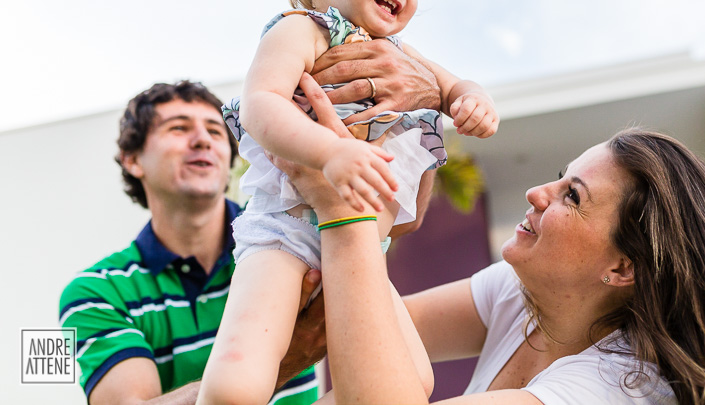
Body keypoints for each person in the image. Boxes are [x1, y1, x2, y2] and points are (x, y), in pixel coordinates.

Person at [278, 75, 705, 404]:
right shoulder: (522, 291)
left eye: (572, 196)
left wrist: (347, 220)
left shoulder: (620, 388)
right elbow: (366, 332)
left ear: (622, 268)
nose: (536, 193)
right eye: (558, 176)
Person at [198, 0, 498, 405]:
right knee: (237, 381)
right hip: (286, 230)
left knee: (414, 381)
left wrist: (475, 101)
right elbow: (261, 105)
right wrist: (330, 152)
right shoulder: (304, 30)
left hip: (363, 243)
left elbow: (455, 87)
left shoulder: (401, 55)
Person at [58, 52, 442, 404]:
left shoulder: (292, 232)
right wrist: (285, 359)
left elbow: (401, 222)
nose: (202, 140)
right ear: (133, 160)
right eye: (178, 128)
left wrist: (425, 105)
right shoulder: (97, 291)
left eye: (213, 130)